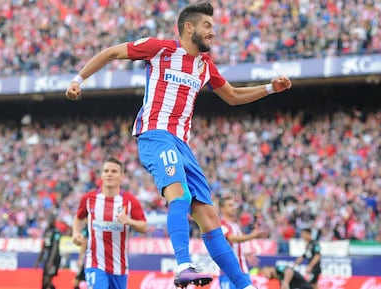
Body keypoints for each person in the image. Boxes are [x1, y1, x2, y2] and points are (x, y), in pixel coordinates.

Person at [65, 2, 292, 288]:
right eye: (207, 26)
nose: (213, 31)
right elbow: (112, 52)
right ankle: (184, 265)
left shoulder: (205, 65)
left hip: (183, 144)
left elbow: (232, 96)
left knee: (210, 218)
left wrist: (271, 88)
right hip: (155, 134)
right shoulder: (160, 49)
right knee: (180, 195)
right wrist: (78, 79)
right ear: (189, 27)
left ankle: (244, 284)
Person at [71, 157, 147, 289]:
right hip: (95, 263)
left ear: (122, 176)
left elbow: (143, 226)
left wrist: (129, 221)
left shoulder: (130, 201)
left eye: (114, 171)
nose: (109, 174)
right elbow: (78, 217)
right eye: (106, 171)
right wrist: (75, 233)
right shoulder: (89, 199)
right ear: (101, 175)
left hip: (119, 267)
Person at [218, 196, 268, 289]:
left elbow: (234, 245)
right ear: (222, 209)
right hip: (229, 274)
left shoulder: (235, 225)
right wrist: (252, 236)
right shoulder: (221, 224)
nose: (233, 207)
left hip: (243, 271)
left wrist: (243, 254)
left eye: (234, 205)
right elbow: (231, 238)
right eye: (230, 205)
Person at [34, 212, 62, 289]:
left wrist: (51, 262)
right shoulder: (47, 231)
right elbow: (44, 246)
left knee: (47, 281)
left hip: (54, 259)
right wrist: (38, 260)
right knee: (43, 282)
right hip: (48, 258)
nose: (51, 220)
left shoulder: (56, 232)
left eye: (52, 219)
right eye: (50, 219)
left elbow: (55, 248)